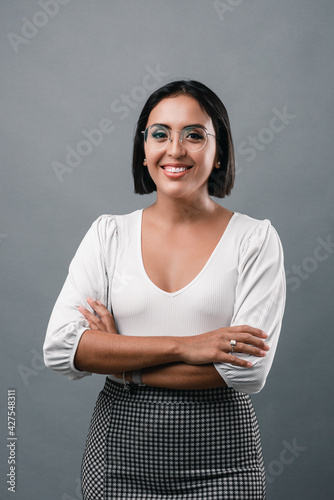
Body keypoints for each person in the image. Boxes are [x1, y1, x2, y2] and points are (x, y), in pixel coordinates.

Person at [43, 80, 286, 499]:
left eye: (194, 134)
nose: (175, 150)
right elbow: (63, 349)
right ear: (143, 149)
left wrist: (120, 360)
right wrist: (188, 346)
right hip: (118, 462)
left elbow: (247, 373)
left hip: (225, 464)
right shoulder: (108, 235)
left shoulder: (255, 239)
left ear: (220, 148)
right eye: (160, 134)